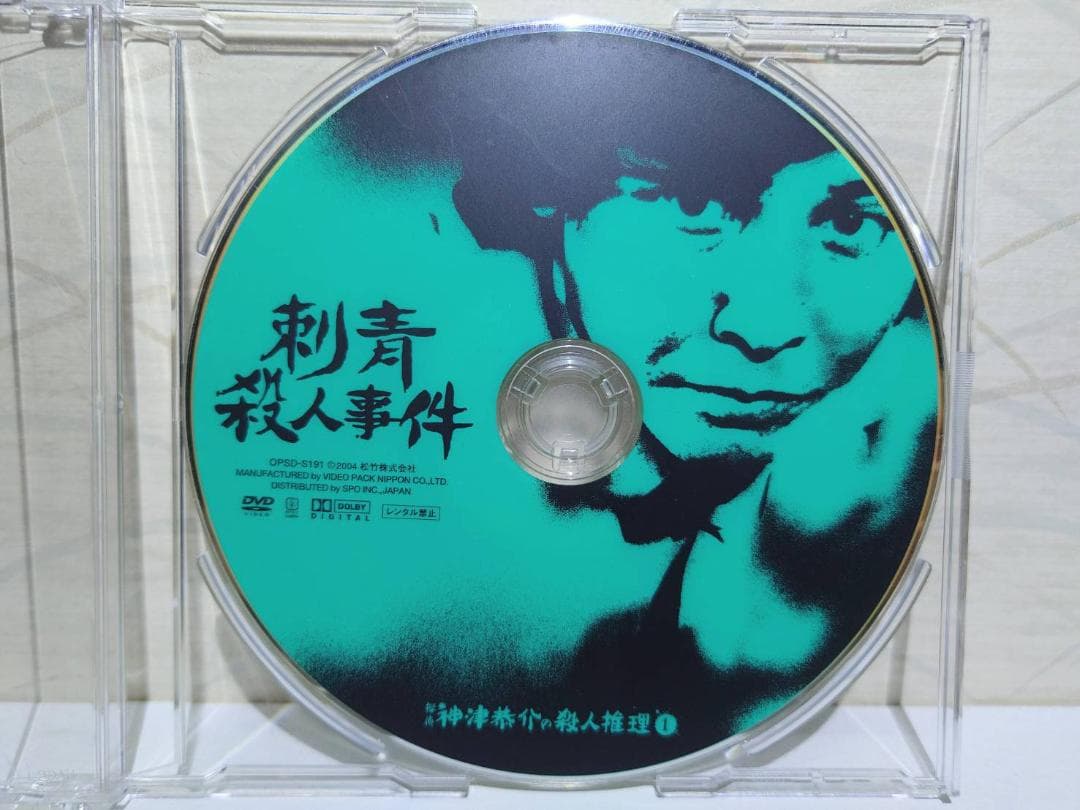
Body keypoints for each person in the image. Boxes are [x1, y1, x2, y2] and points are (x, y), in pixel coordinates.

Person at [303, 29, 940, 774]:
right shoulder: (369, 615)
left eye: (848, 223)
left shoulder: (858, 508)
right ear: (550, 207)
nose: (762, 327)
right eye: (695, 203)